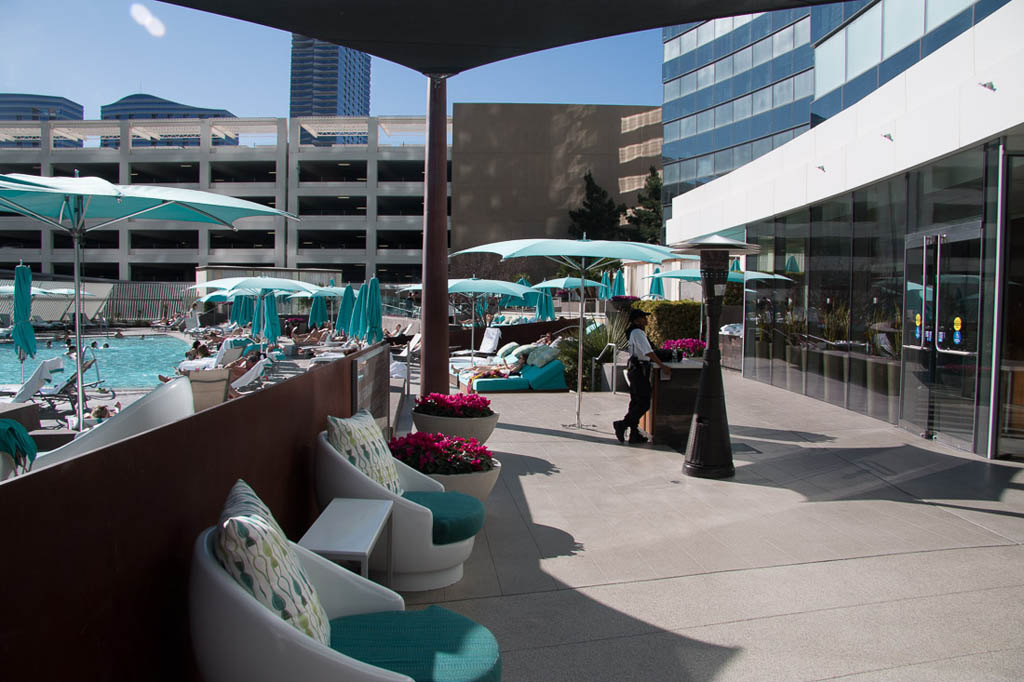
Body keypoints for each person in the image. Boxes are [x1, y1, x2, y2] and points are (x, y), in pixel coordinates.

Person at [613, 308, 669, 444]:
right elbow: (648, 352)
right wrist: (662, 366)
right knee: (643, 402)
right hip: (639, 370)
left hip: (635, 368)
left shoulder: (635, 332)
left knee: (636, 402)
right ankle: (622, 424)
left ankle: (634, 433)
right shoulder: (638, 332)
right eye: (643, 317)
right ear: (637, 320)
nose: (646, 320)